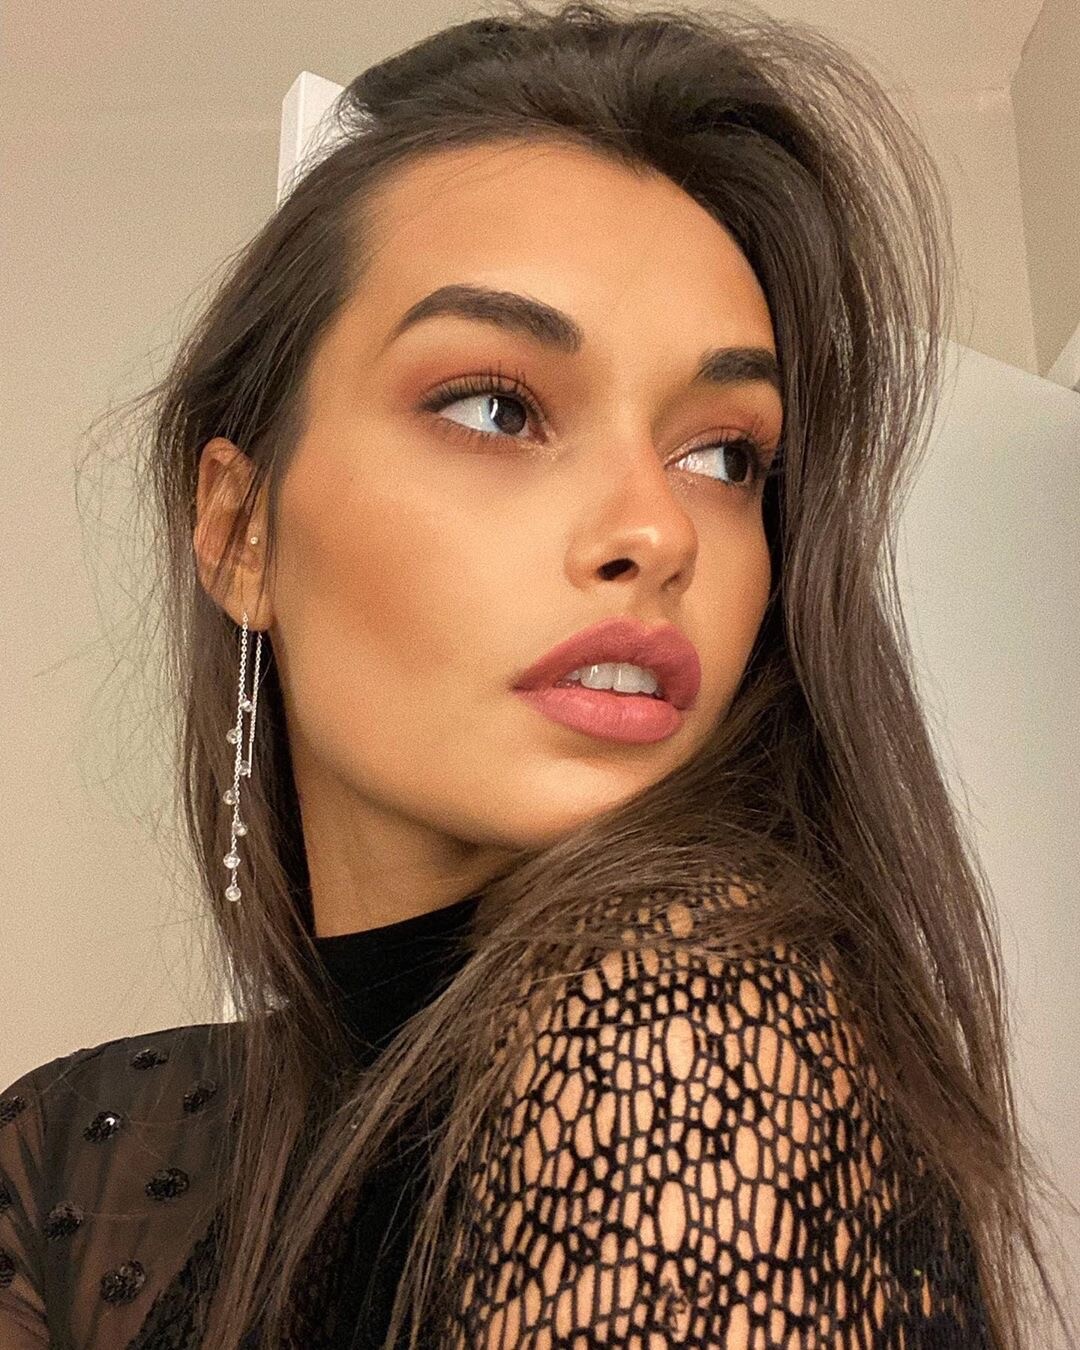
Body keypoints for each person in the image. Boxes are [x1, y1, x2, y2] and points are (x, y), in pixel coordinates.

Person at [1, 2, 1073, 1347]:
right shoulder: (81, 1137)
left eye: (724, 455)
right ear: (240, 529)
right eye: (496, 407)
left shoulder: (692, 1031)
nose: (659, 531)